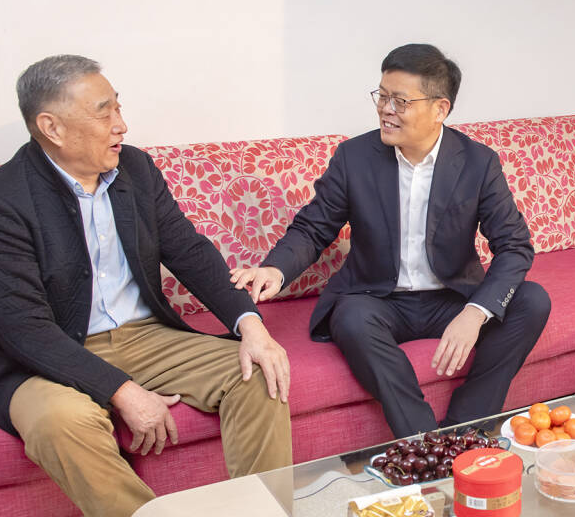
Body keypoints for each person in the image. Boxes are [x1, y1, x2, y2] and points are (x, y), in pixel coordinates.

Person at [0, 54, 293, 517]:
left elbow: (188, 251)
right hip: (44, 355)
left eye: (118, 107)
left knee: (259, 373)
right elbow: (23, 327)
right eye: (104, 112)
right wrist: (121, 391)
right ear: (51, 127)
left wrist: (251, 325)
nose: (121, 124)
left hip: (145, 336)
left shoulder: (134, 168)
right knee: (63, 423)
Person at [232, 43, 550, 437]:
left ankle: (463, 431)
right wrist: (275, 270)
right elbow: (314, 228)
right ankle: (423, 442)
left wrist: (475, 312)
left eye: (400, 101)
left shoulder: (478, 162)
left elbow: (514, 246)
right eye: (382, 97)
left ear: (440, 109)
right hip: (378, 300)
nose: (386, 109)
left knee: (532, 301)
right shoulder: (354, 158)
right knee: (351, 318)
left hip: (452, 298)